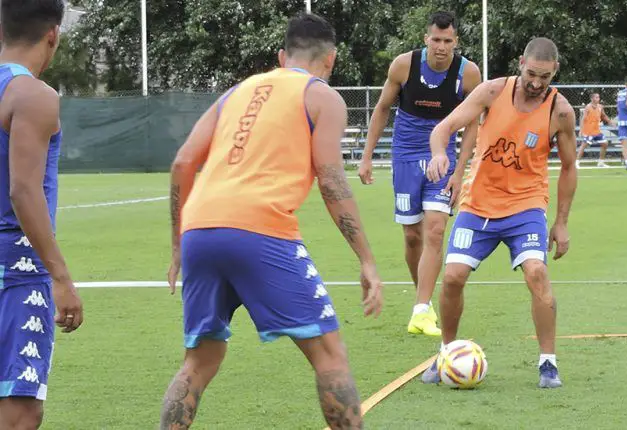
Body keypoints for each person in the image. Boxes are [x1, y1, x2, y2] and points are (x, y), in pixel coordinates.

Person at [160, 13, 383, 429]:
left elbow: (183, 162)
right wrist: (367, 260)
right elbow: (332, 180)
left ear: (282, 56)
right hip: (260, 229)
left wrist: (177, 245)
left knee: (200, 360)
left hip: (199, 231)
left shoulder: (236, 92)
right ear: (330, 61)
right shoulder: (323, 97)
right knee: (330, 355)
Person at [422, 37, 578, 389]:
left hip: (526, 206)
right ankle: (446, 352)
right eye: (532, 74)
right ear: (520, 63)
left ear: (555, 72)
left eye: (545, 77)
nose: (537, 83)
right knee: (452, 277)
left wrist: (562, 222)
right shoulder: (492, 92)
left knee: (537, 272)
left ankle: (548, 364)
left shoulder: (561, 111)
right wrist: (438, 155)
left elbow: (569, 167)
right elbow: (443, 128)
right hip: (478, 204)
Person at [358, 11, 482, 337]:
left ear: (456, 42)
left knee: (436, 230)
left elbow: (473, 123)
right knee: (412, 235)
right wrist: (367, 157)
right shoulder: (404, 65)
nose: (441, 47)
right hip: (406, 155)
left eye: (448, 41)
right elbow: (382, 108)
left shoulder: (468, 74)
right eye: (436, 40)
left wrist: (461, 170)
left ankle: (422, 309)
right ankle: (421, 300)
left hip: (442, 158)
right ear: (427, 39)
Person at [0, 0, 85, 428]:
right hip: (16, 268)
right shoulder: (32, 94)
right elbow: (23, 189)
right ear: (53, 34)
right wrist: (60, 277)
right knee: (20, 410)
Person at [576, 92, 613, 168]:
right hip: (588, 131)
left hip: (597, 131)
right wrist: (581, 130)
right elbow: (583, 119)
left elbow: (603, 115)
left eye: (598, 97)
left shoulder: (600, 107)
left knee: (605, 143)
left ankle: (601, 163)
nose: (598, 99)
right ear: (592, 99)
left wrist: (609, 121)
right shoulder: (588, 107)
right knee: (583, 146)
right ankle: (576, 162)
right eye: (596, 97)